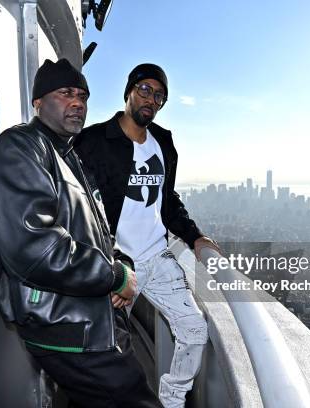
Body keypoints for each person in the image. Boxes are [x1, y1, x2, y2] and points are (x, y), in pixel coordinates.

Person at [0, 58, 161, 408]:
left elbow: (99, 234)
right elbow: (37, 249)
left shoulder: (70, 157)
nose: (78, 102)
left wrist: (121, 262)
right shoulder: (20, 147)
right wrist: (114, 275)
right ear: (38, 102)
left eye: (82, 95)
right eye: (65, 93)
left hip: (86, 316)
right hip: (63, 324)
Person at [75, 63, 219, 407]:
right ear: (128, 92)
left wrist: (195, 236)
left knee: (195, 331)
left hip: (158, 256)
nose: (151, 99)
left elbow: (167, 201)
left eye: (159, 95)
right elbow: (79, 206)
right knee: (105, 354)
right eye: (144, 90)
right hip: (117, 264)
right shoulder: (94, 140)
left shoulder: (164, 142)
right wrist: (110, 264)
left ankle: (171, 399)